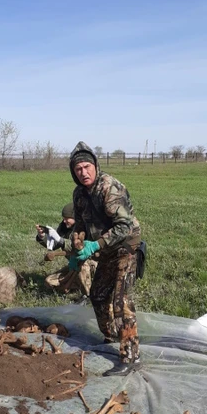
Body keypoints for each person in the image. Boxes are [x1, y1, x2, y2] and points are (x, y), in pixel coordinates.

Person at [67, 141, 144, 377]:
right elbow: (80, 225)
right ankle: (111, 338)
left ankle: (131, 357)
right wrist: (77, 247)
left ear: (96, 166)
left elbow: (125, 226)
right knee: (98, 295)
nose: (84, 172)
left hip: (126, 247)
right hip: (106, 251)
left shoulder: (110, 188)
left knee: (121, 302)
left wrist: (95, 245)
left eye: (87, 167)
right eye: (78, 169)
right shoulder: (79, 194)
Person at [36, 203, 96, 297]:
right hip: (73, 266)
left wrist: (62, 241)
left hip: (92, 265)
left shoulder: (87, 228)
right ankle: (80, 284)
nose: (64, 221)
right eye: (63, 218)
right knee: (49, 282)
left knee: (82, 265)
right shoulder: (64, 227)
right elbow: (55, 245)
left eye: (67, 218)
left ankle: (89, 296)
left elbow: (79, 249)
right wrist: (42, 236)